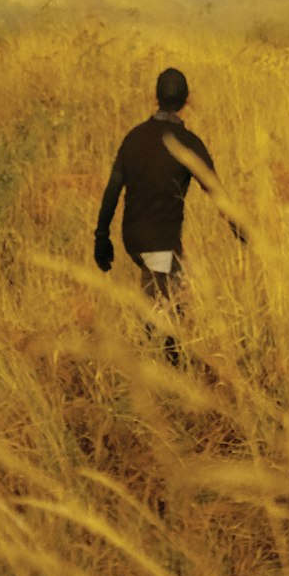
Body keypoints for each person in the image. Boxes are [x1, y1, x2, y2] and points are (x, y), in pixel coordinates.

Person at [93, 67, 242, 358]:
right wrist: (238, 226)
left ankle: (161, 357)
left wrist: (101, 236)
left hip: (132, 237)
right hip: (161, 239)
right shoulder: (187, 143)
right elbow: (215, 190)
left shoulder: (134, 138)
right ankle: (166, 367)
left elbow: (112, 190)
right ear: (187, 100)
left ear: (155, 98)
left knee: (165, 288)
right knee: (171, 305)